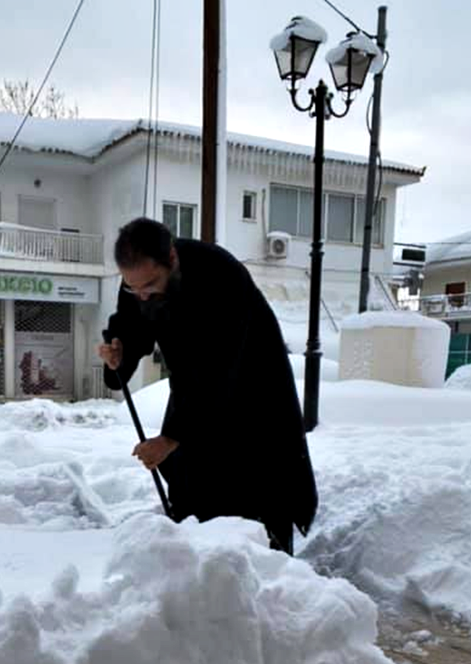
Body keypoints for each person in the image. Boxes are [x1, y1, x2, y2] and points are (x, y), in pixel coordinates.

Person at [97, 218, 318, 555]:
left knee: (254, 498)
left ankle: (267, 580)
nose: (141, 294)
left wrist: (170, 438)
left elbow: (218, 368)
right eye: (132, 288)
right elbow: (131, 323)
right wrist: (119, 352)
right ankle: (196, 572)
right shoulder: (139, 280)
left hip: (252, 393)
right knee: (192, 488)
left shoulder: (220, 274)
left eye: (150, 285)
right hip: (194, 394)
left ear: (171, 258)